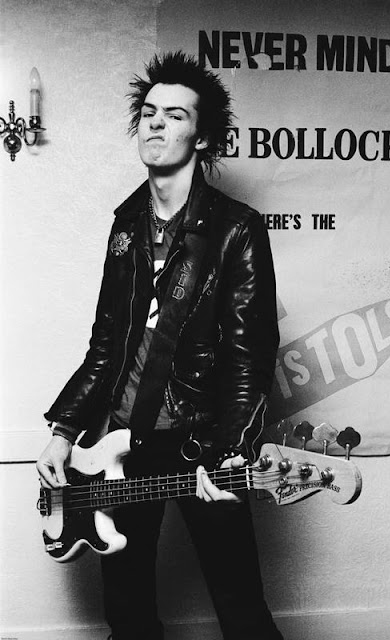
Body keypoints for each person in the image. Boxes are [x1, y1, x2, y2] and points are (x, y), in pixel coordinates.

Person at [37, 51, 283, 640]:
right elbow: (106, 343)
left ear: (203, 137)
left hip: (202, 440)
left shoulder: (236, 228)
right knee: (127, 613)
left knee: (242, 611)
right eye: (149, 111)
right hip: (120, 443)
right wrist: (64, 430)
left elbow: (249, 355)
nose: (155, 123)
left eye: (175, 115)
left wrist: (232, 451)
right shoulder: (126, 225)